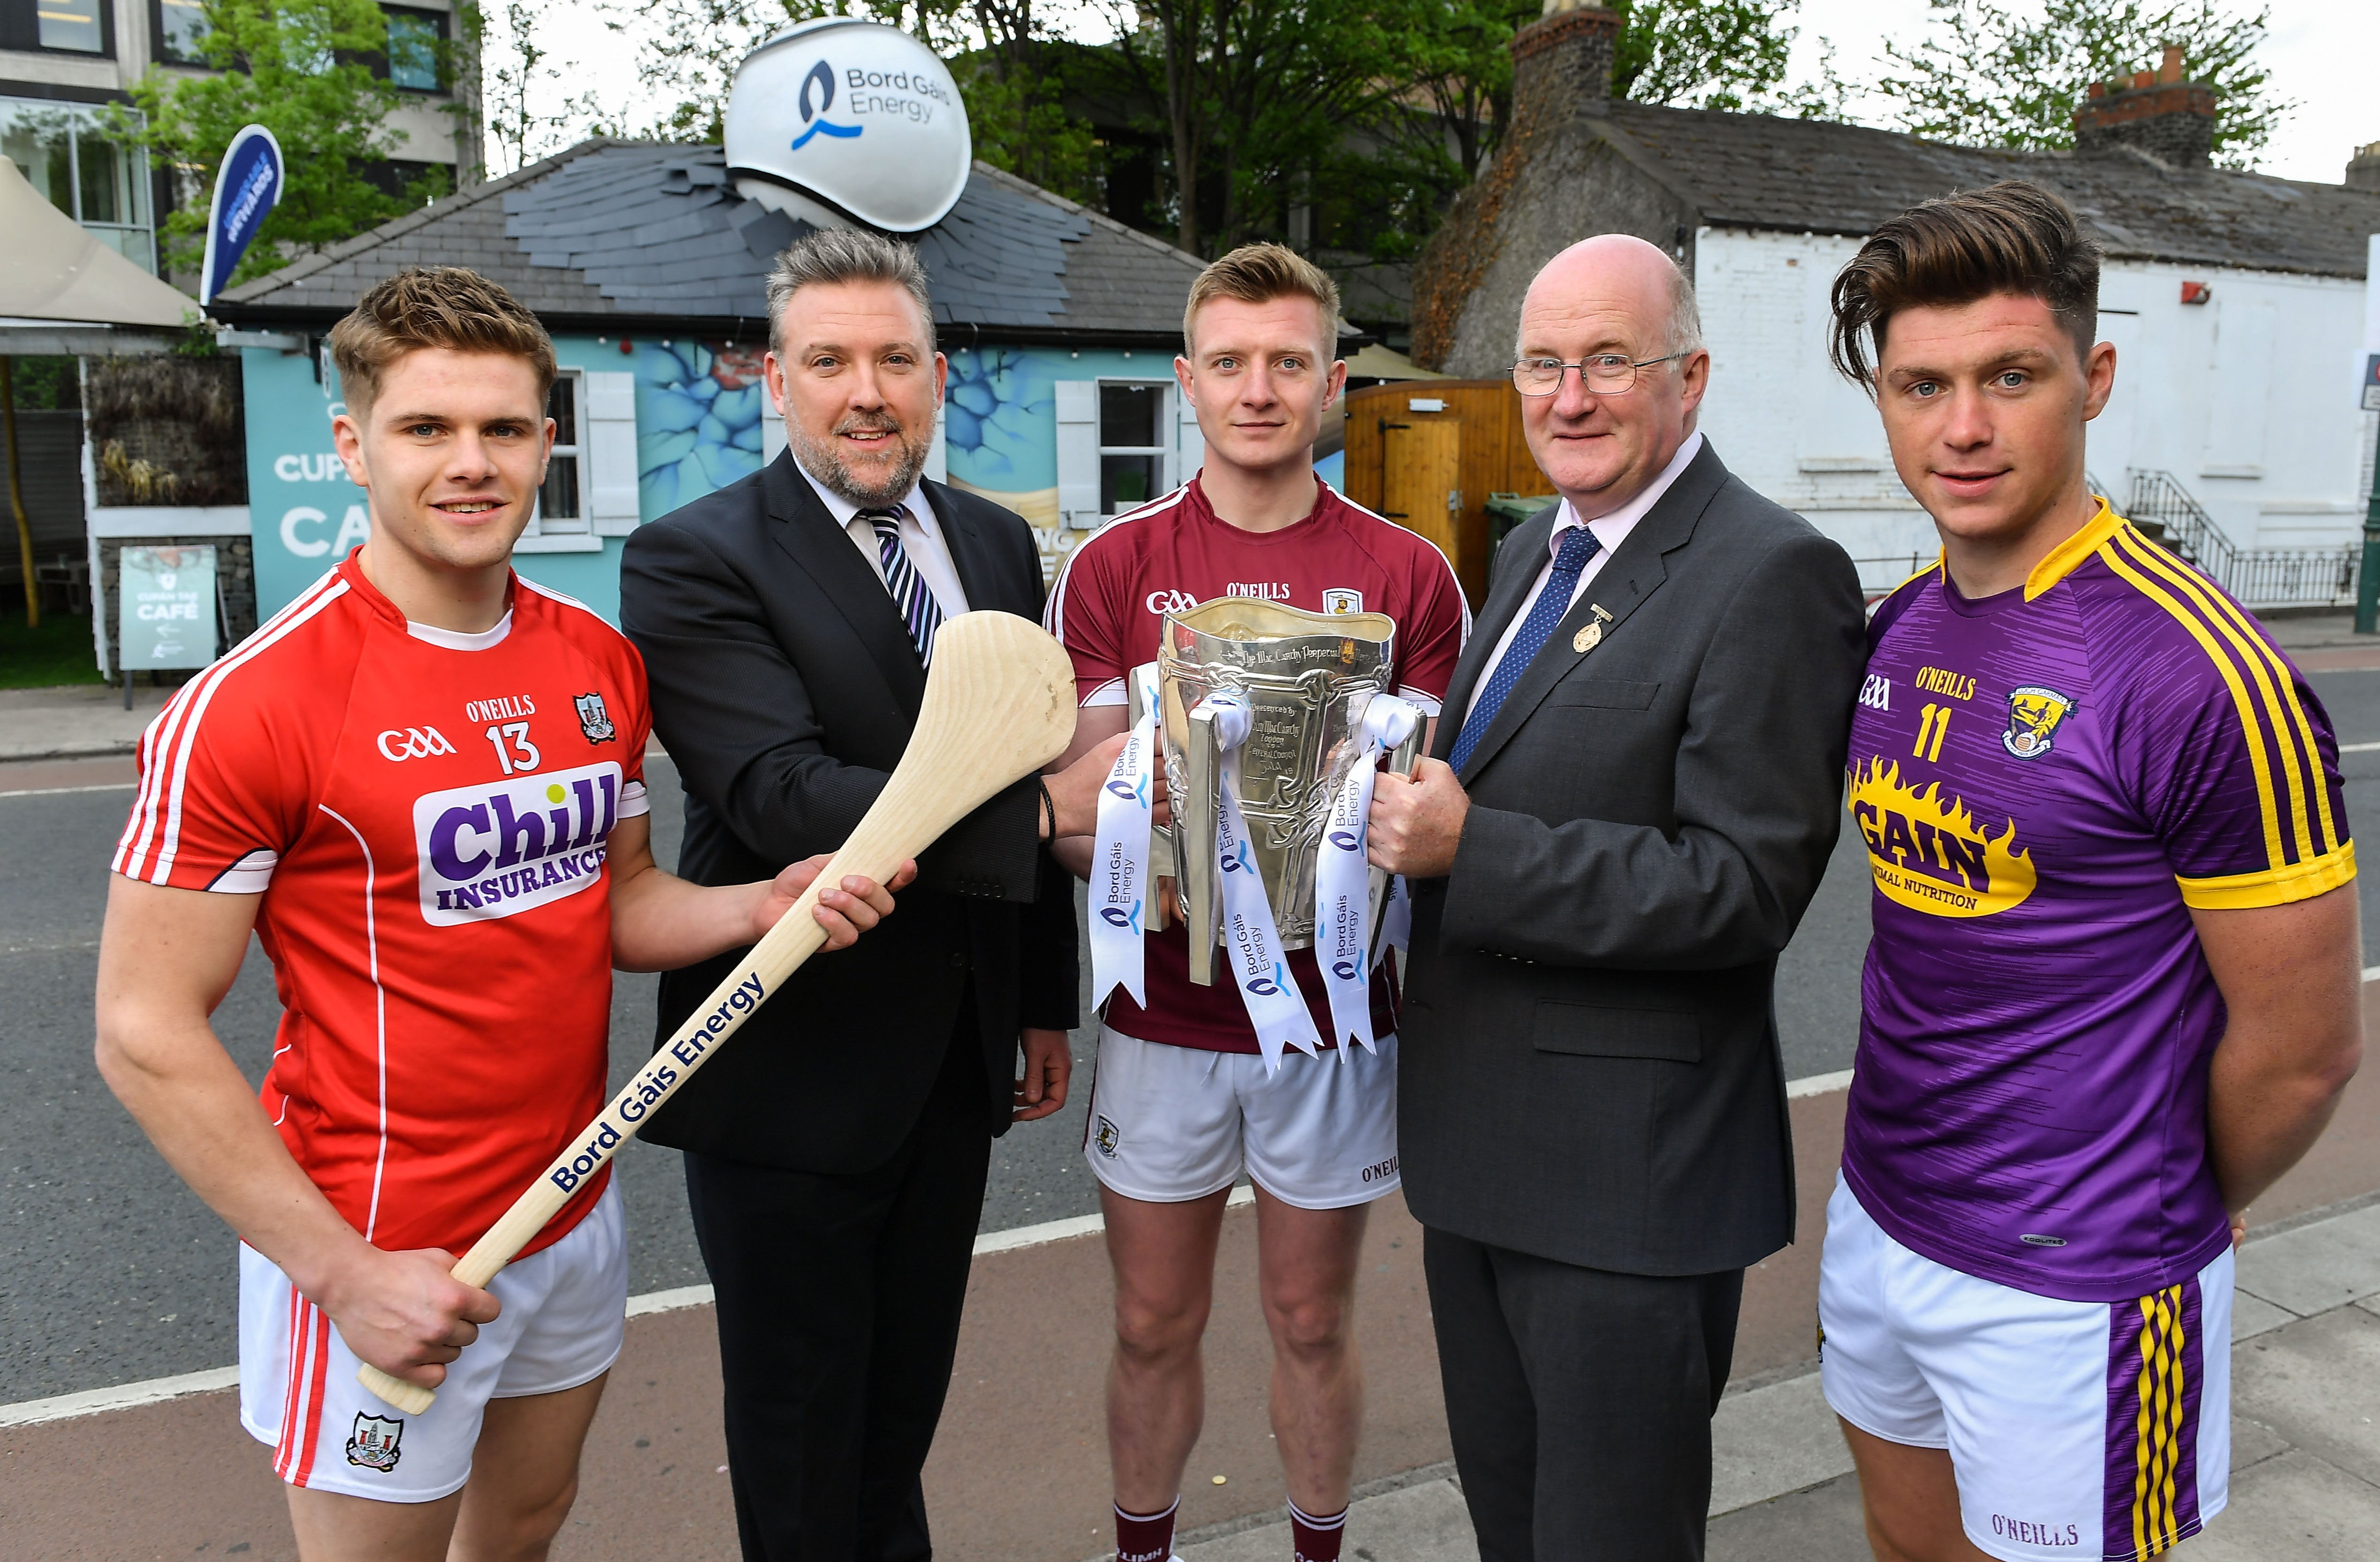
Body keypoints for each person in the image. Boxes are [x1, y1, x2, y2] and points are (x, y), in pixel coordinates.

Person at [93, 265, 908, 1562]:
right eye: (427, 429)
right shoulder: (250, 705)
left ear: (546, 440)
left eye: (505, 429)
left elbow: (620, 902)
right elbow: (143, 1030)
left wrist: (766, 902)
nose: (471, 464)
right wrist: (341, 1274)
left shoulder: (594, 658)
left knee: (522, 1530)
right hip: (381, 1241)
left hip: (566, 1211)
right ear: (354, 445)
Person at [1818, 182, 2363, 1562]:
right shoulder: (1893, 629)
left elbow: (2301, 1053)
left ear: (2092, 376)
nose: (1962, 427)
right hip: (1879, 1214)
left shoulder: (2203, 675)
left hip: (2079, 1278)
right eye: (1919, 383)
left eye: (2010, 376)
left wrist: (2169, 1203)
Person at [616, 228, 1121, 1562]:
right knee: (799, 1450)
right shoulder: (690, 557)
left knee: (895, 1427)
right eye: (827, 359)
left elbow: (1025, 756)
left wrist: (1041, 1001)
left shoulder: (998, 550)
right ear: (771, 380)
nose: (865, 390)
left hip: (953, 1068)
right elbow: (781, 790)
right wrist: (1039, 813)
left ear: (938, 376)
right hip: (791, 1068)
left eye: (894, 358)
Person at [1365, 234, 1869, 1560]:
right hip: (1478, 1160)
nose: (1567, 396)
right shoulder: (1536, 546)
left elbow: (1742, 887)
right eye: (1542, 363)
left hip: (1623, 1189)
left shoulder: (1772, 572)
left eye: (1608, 362)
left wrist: (1470, 850)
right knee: (1515, 1533)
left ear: (1688, 377)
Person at [1044, 242, 1470, 1562]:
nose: (1259, 388)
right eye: (1229, 361)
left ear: (1331, 380)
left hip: (1332, 1018)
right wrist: (1127, 812)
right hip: (1165, 1015)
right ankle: (1141, 1550)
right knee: (1148, 1324)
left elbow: (1424, 814)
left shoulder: (1410, 577)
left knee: (1310, 1320)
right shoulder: (1114, 566)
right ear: (1187, 380)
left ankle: (1318, 1549)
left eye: (1289, 361)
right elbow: (1068, 814)